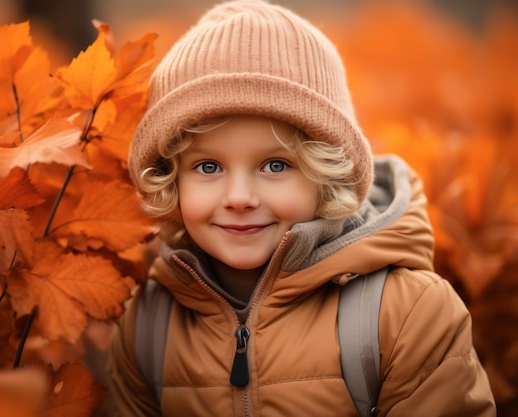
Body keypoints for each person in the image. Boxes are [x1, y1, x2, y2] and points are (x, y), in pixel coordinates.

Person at [102, 0, 496, 415]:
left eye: (275, 165)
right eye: (208, 166)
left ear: (324, 175)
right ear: (171, 179)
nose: (239, 197)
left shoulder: (404, 315)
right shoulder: (148, 326)